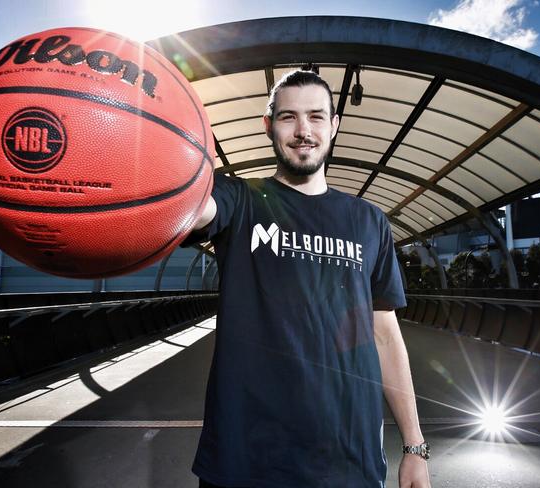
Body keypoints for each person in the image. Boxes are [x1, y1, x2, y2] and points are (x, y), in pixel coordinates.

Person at [183, 69, 431, 488]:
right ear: (268, 126)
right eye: (288, 118)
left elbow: (385, 336)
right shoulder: (240, 200)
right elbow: (196, 209)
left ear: (334, 126)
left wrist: (414, 446)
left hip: (348, 462)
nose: (303, 131)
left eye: (316, 117)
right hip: (245, 462)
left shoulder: (369, 221)